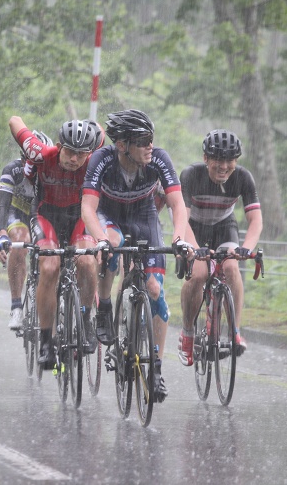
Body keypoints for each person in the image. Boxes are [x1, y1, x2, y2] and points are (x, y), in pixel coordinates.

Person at [81, 109, 193, 401]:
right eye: (142, 140)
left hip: (143, 216)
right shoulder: (101, 160)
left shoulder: (159, 160)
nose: (149, 146)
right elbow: (88, 209)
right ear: (121, 145)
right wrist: (101, 240)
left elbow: (177, 206)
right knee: (112, 246)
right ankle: (104, 307)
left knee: (155, 290)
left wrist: (179, 239)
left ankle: (155, 369)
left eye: (151, 139)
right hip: (110, 215)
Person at [0, 116, 104, 367]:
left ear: (89, 152)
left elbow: (101, 131)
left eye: (81, 154)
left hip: (79, 218)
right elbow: (14, 121)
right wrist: (26, 139)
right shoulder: (42, 154)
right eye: (69, 152)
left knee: (88, 263)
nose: (74, 159)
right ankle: (46, 339)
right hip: (47, 217)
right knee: (48, 267)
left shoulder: (93, 162)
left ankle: (86, 319)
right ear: (58, 145)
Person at [178, 129, 263, 366]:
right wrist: (195, 250)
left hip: (224, 226)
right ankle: (187, 333)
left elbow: (255, 219)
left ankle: (234, 330)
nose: (224, 166)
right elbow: (181, 219)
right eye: (218, 160)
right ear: (206, 158)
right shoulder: (191, 175)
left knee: (231, 269)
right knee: (198, 275)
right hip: (193, 227)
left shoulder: (243, 177)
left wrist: (246, 248)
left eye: (230, 161)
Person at [0, 130, 53, 331]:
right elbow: (2, 204)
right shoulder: (12, 170)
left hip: (41, 214)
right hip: (17, 213)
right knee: (20, 241)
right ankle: (16, 306)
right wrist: (1, 232)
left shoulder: (50, 170)